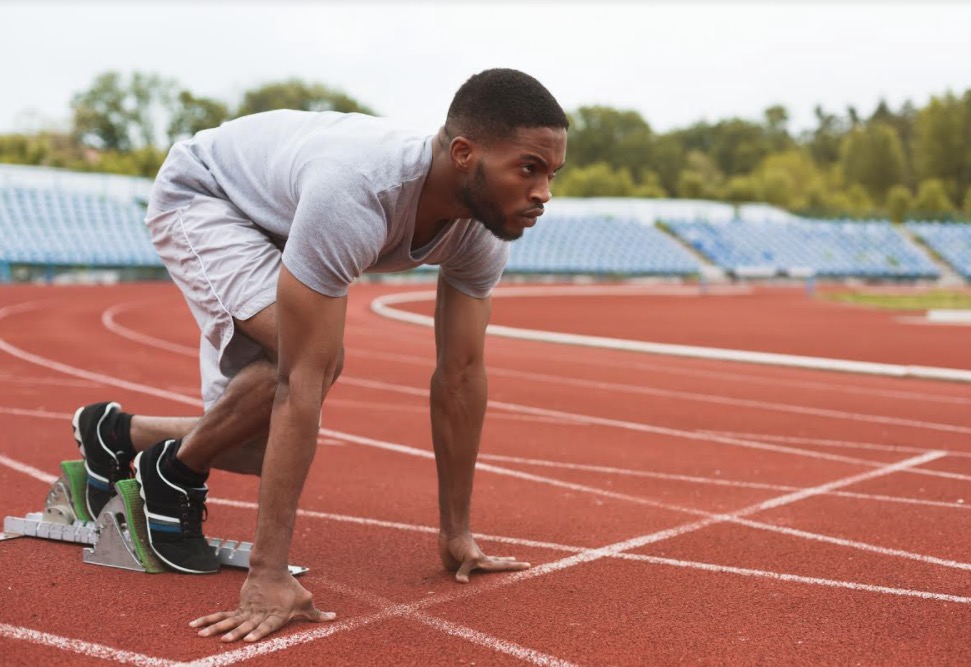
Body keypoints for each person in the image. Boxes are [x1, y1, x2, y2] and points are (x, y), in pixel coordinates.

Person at [71, 68, 568, 642]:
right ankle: (176, 469)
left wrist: (457, 534)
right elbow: (301, 379)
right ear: (463, 153)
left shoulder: (482, 227)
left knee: (261, 448)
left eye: (552, 173)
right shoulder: (359, 189)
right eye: (528, 169)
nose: (543, 194)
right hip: (212, 196)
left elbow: (460, 375)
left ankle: (121, 435)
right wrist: (268, 573)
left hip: (290, 210)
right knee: (316, 361)